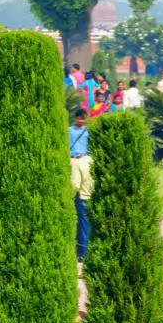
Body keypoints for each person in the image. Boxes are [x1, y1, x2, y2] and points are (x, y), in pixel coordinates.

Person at [70, 109, 93, 260]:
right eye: (79, 118)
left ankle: (83, 252)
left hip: (84, 160)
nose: (81, 120)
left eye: (83, 118)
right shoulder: (69, 131)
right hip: (72, 160)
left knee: (84, 215)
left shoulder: (87, 132)